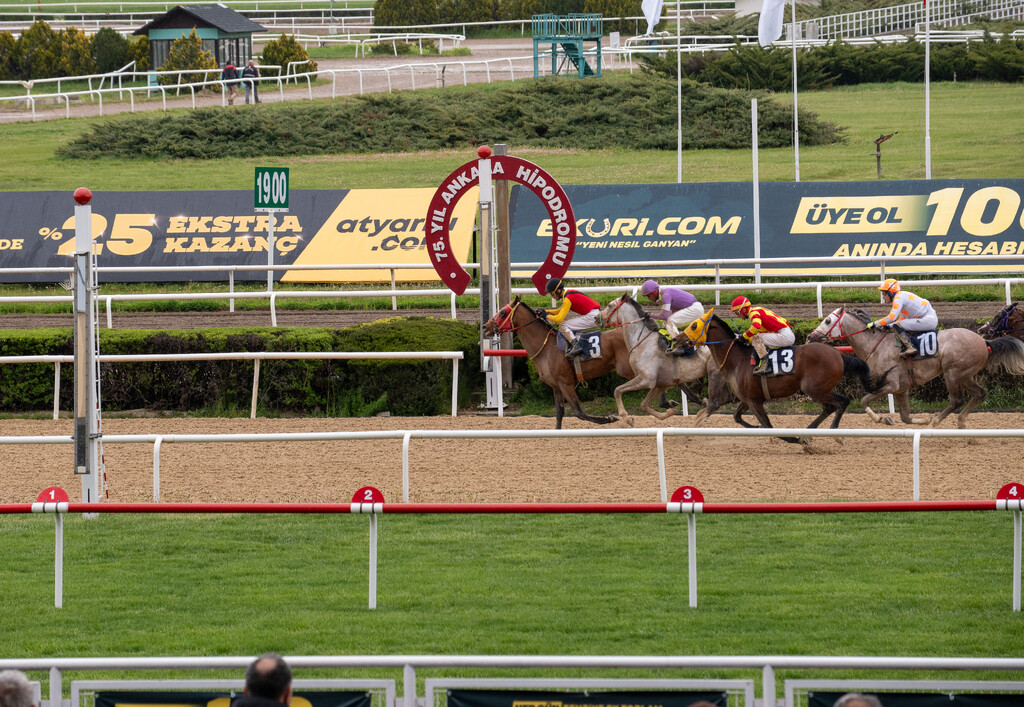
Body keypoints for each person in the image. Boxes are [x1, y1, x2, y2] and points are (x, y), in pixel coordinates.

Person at [868, 278, 937, 358]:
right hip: (927, 318)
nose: (883, 297)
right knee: (898, 324)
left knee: (897, 325)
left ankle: (910, 348)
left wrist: (875, 323)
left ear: (891, 293)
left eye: (884, 294)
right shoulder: (901, 296)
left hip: (928, 320)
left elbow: (892, 317)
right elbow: (902, 319)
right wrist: (888, 326)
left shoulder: (898, 299)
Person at [729, 295, 796, 375]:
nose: (737, 316)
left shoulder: (753, 313)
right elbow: (760, 333)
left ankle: (766, 366)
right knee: (756, 338)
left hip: (785, 335)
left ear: (743, 309)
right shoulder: (757, 311)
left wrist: (744, 336)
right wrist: (747, 339)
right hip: (785, 333)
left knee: (756, 338)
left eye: (737, 313)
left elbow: (756, 326)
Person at [639, 279, 704, 356]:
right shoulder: (664, 294)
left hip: (695, 309)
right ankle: (677, 342)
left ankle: (680, 346)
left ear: (655, 292)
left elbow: (664, 316)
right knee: (665, 324)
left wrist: (650, 315)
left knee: (669, 321)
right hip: (693, 307)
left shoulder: (665, 295)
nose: (649, 298)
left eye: (649, 295)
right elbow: (672, 311)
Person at [544, 277, 602, 359]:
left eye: (552, 294)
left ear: (558, 291)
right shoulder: (568, 295)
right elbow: (560, 310)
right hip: (593, 314)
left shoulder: (568, 298)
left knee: (563, 326)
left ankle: (576, 345)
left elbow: (559, 319)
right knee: (566, 324)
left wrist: (546, 316)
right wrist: (546, 311)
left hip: (592, 316)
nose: (552, 296)